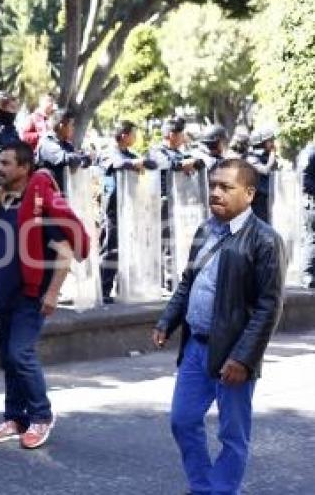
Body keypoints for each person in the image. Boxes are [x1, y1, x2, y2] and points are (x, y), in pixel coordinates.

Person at [152, 159, 286, 495]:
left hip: (234, 351)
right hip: (196, 347)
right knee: (182, 422)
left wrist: (243, 358)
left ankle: (222, 491)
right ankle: (202, 487)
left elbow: (269, 307)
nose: (216, 192)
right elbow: (188, 281)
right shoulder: (206, 230)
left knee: (232, 434)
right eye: (213, 185)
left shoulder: (265, 240)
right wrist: (168, 319)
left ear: (250, 193)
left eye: (226, 187)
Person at [0, 141, 89, 449]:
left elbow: (64, 251)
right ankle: (15, 417)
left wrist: (53, 293)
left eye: (7, 163)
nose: (0, 168)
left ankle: (41, 416)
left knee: (21, 354)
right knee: (8, 357)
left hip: (31, 295)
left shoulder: (42, 201)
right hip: (3, 293)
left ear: (24, 167)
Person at [97, 120, 158, 303]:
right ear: (124, 135)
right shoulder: (109, 152)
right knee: (111, 247)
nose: (135, 138)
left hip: (129, 207)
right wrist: (134, 163)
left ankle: (123, 287)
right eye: (133, 134)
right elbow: (116, 164)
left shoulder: (130, 154)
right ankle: (103, 288)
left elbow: (151, 164)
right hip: (112, 208)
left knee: (127, 248)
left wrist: (142, 162)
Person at [148, 117, 204, 291]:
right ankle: (162, 281)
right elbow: (165, 164)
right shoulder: (157, 151)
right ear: (171, 135)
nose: (183, 137)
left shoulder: (181, 153)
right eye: (180, 134)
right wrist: (182, 164)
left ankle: (174, 279)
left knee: (177, 241)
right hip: (163, 201)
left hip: (181, 204)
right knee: (163, 242)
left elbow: (191, 164)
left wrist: (192, 163)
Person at [35, 109, 92, 192]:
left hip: (62, 197)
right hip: (46, 196)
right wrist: (81, 159)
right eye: (71, 125)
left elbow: (81, 158)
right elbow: (65, 158)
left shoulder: (66, 145)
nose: (73, 128)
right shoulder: (47, 143)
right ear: (61, 126)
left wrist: (84, 160)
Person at [246, 127, 278, 223]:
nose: (272, 144)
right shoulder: (251, 158)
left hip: (267, 199)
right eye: (270, 141)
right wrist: (272, 153)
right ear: (261, 143)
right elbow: (265, 170)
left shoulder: (265, 157)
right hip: (257, 201)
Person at [299, 137, 315, 288]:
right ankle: (307, 274)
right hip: (312, 204)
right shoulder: (311, 154)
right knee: (312, 237)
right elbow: (305, 180)